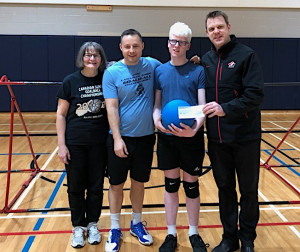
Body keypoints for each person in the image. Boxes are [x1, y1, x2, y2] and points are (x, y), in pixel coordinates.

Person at [201, 11, 264, 252]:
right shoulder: (206, 59)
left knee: (248, 191)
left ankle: (247, 239)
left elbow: (255, 95)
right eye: (211, 29)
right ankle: (230, 239)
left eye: (219, 27)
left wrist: (225, 109)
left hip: (245, 138)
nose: (216, 32)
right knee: (225, 190)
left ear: (228, 27)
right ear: (207, 33)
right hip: (217, 140)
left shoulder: (246, 55)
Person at [102, 29, 161, 252]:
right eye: (127, 46)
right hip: (120, 139)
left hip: (146, 137)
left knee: (139, 182)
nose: (131, 50)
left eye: (135, 46)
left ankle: (136, 223)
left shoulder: (152, 65)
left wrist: (194, 61)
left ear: (142, 46)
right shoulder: (112, 72)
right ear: (120, 48)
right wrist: (117, 138)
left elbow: (174, 68)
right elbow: (112, 106)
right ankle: (115, 228)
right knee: (116, 184)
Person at [153, 22, 208, 252]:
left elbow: (203, 106)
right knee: (171, 185)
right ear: (168, 43)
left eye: (181, 42)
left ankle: (194, 233)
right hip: (167, 137)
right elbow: (157, 105)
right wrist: (157, 120)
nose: (176, 45)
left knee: (192, 186)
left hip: (191, 136)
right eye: (173, 41)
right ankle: (171, 233)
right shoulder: (159, 71)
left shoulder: (198, 71)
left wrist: (194, 130)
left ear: (188, 45)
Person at [56, 42, 108, 248]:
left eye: (96, 55)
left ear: (101, 58)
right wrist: (62, 145)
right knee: (76, 187)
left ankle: (93, 224)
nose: (92, 59)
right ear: (82, 58)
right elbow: (60, 114)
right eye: (88, 56)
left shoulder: (107, 78)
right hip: (75, 142)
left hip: (99, 142)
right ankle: (78, 227)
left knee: (96, 187)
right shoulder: (70, 81)